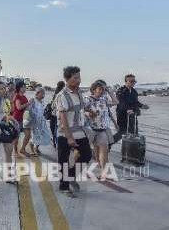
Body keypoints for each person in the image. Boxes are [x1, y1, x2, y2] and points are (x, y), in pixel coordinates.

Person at [55, 66, 92, 197]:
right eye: (75, 78)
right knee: (63, 160)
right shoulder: (62, 95)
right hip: (65, 133)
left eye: (79, 77)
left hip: (80, 131)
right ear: (67, 79)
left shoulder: (79, 93)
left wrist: (90, 112)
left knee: (87, 155)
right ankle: (64, 186)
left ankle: (70, 176)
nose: (78, 80)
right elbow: (63, 117)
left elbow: (80, 109)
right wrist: (69, 137)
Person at [84, 80, 118, 180]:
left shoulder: (104, 99)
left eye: (103, 89)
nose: (102, 91)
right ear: (94, 90)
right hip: (90, 129)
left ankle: (104, 173)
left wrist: (109, 91)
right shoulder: (88, 99)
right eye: (100, 89)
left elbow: (116, 102)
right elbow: (81, 110)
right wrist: (88, 113)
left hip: (102, 130)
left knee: (104, 151)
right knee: (85, 151)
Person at [0, 82, 18, 184]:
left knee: (9, 151)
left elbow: (11, 111)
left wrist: (11, 101)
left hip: (5, 128)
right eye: (1, 88)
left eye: (4, 88)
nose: (4, 90)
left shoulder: (6, 100)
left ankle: (9, 176)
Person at [23, 87, 52, 156]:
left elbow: (42, 112)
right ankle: (32, 149)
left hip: (42, 122)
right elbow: (27, 110)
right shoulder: (33, 100)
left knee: (45, 136)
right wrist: (27, 121)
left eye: (44, 93)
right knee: (34, 137)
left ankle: (36, 147)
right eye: (42, 93)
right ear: (37, 93)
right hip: (34, 122)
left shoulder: (42, 102)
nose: (43, 95)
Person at [11, 81, 33, 157]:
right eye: (23, 87)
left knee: (28, 135)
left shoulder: (24, 96)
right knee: (17, 137)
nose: (25, 88)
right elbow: (19, 107)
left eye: (25, 87)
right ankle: (15, 151)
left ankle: (22, 149)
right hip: (17, 119)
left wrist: (31, 105)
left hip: (24, 119)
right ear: (19, 88)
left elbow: (26, 107)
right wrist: (28, 103)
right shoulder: (17, 96)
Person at [49, 81, 65, 149]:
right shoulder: (62, 94)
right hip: (59, 115)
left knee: (54, 129)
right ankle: (57, 143)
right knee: (57, 129)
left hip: (54, 114)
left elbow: (52, 106)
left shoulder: (55, 93)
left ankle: (55, 142)